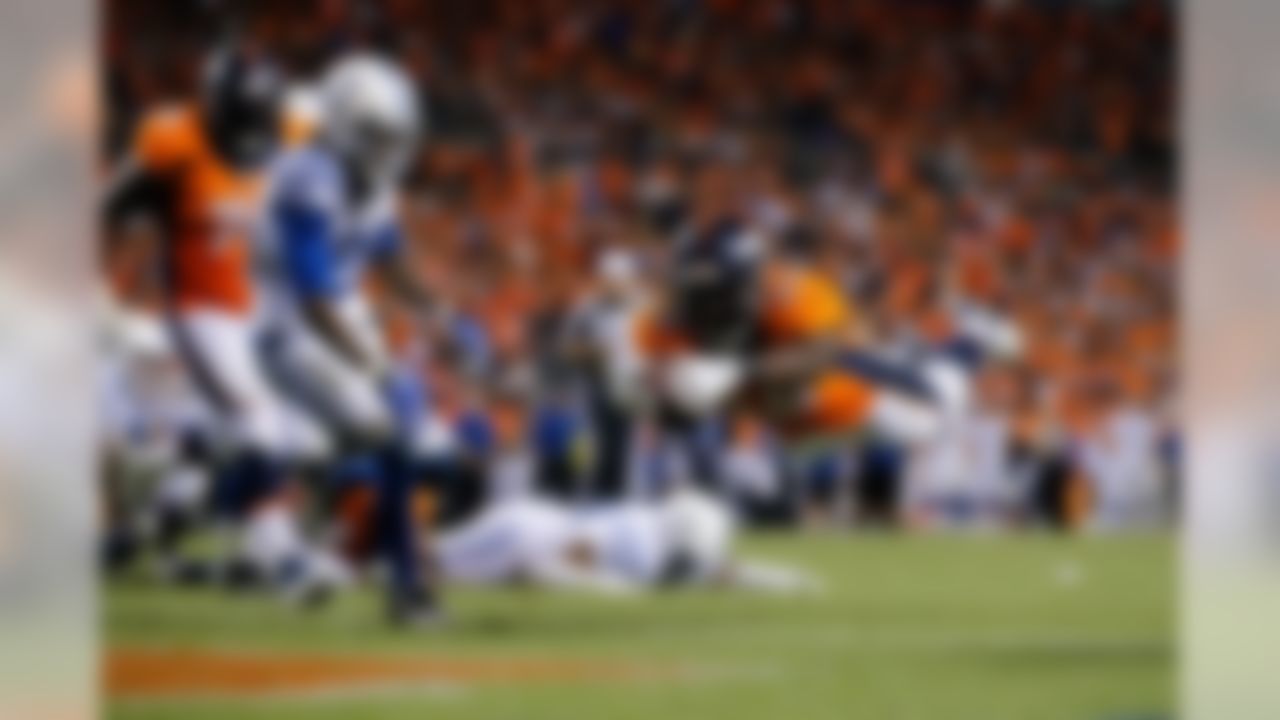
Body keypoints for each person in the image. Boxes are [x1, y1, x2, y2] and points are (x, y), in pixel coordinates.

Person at [101, 46, 333, 595]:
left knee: (222, 443)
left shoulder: (292, 133)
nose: (253, 133)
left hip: (250, 313)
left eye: (261, 116)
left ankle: (139, 534)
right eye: (242, 116)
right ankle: (280, 558)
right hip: (199, 313)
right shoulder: (175, 146)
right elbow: (106, 208)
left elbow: (323, 128)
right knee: (259, 427)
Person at [258, 52, 445, 625]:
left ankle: (356, 544)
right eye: (376, 135)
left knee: (423, 441)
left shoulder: (374, 185)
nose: (387, 149)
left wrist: (438, 308)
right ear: (341, 122)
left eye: (394, 137)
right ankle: (403, 588)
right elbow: (314, 298)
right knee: (389, 436)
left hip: (345, 317)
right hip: (293, 328)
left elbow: (391, 257)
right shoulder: (307, 175)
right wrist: (374, 364)